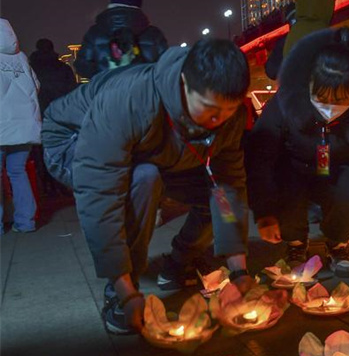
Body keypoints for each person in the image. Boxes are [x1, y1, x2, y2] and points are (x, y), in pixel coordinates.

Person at [41, 39, 255, 334]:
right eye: (210, 110)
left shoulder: (225, 117)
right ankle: (118, 293)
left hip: (156, 147)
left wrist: (239, 269)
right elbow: (100, 194)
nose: (218, 122)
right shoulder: (129, 100)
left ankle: (179, 261)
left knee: (213, 193)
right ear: (184, 83)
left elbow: (228, 187)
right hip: (73, 139)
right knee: (144, 178)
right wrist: (126, 290)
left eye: (229, 111)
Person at [247, 28, 349, 276]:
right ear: (308, 83)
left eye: (341, 99)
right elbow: (260, 158)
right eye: (321, 98)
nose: (329, 108)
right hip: (294, 166)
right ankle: (296, 244)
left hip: (340, 165)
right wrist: (264, 212)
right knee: (286, 187)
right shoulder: (285, 103)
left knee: (348, 190)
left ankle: (338, 243)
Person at [74, 0, 168, 79]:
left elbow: (81, 66)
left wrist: (102, 79)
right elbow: (166, 67)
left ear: (111, 2)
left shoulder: (95, 33)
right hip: (144, 93)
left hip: (106, 93)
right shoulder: (154, 34)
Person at [0, 19, 40, 234]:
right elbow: (36, 86)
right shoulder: (21, 58)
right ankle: (26, 222)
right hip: (24, 126)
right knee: (18, 171)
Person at [29, 38, 78, 195]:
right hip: (62, 115)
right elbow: (73, 92)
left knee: (42, 152)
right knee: (63, 149)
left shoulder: (32, 68)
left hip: (39, 115)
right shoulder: (63, 68)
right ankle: (62, 183)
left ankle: (46, 184)